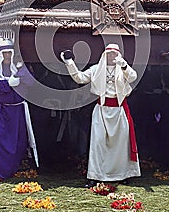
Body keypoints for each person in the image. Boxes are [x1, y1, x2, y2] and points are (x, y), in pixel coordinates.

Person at [60, 43, 141, 187]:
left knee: (120, 145)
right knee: (97, 144)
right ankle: (95, 176)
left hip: (119, 111)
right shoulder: (96, 69)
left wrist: (124, 65)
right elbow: (80, 78)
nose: (111, 56)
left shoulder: (123, 69)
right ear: (105, 54)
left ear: (118, 55)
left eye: (114, 53)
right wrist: (69, 62)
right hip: (101, 110)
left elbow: (133, 77)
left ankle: (121, 175)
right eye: (109, 53)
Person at [0, 41, 38, 181]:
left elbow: (31, 83)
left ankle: (13, 167)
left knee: (17, 141)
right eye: (4, 53)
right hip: (0, 111)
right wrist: (7, 84)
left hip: (16, 110)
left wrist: (22, 72)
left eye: (9, 52)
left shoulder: (19, 67)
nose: (7, 55)